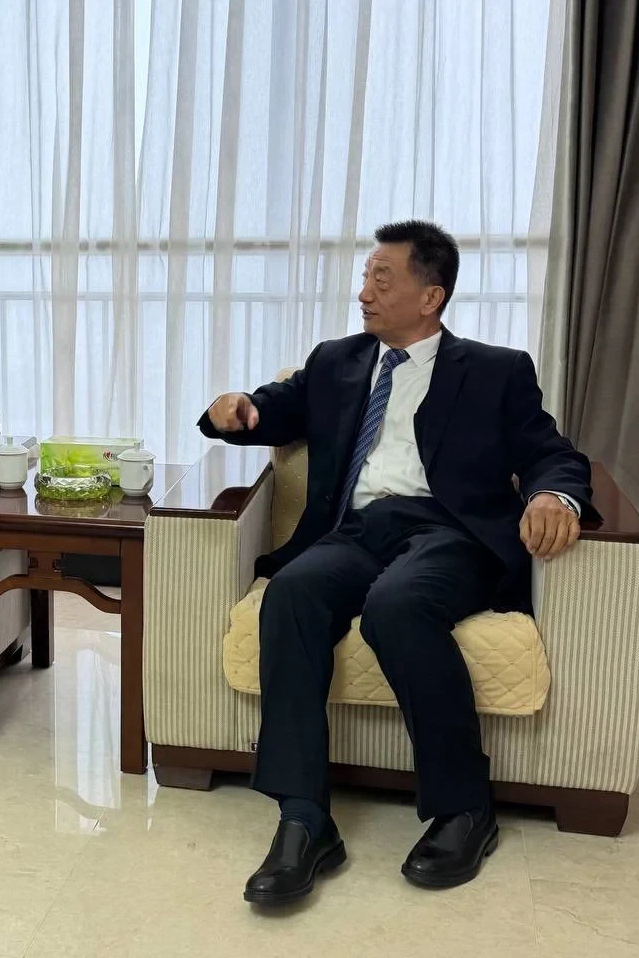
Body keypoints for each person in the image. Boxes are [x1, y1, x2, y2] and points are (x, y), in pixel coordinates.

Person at [200, 220, 594, 904]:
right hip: (357, 530)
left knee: (398, 606)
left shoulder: (496, 370)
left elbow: (550, 453)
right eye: (365, 277)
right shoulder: (336, 361)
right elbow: (271, 411)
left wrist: (553, 495)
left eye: (382, 280)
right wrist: (234, 410)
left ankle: (465, 807)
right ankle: (304, 819)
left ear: (430, 296)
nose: (364, 293)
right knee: (291, 592)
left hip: (450, 533)